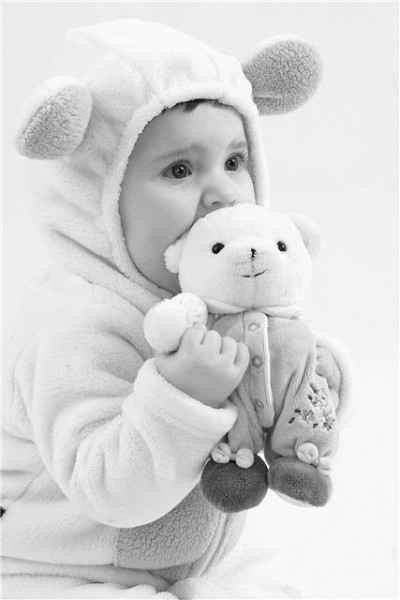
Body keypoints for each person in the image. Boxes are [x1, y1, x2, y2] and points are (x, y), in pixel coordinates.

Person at [1, 19, 348, 599]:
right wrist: (183, 397)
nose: (224, 193)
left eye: (234, 161)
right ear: (99, 196)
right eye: (180, 170)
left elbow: (268, 392)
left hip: (194, 554)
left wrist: (310, 376)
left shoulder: (215, 290)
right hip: (55, 564)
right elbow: (109, 491)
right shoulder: (73, 326)